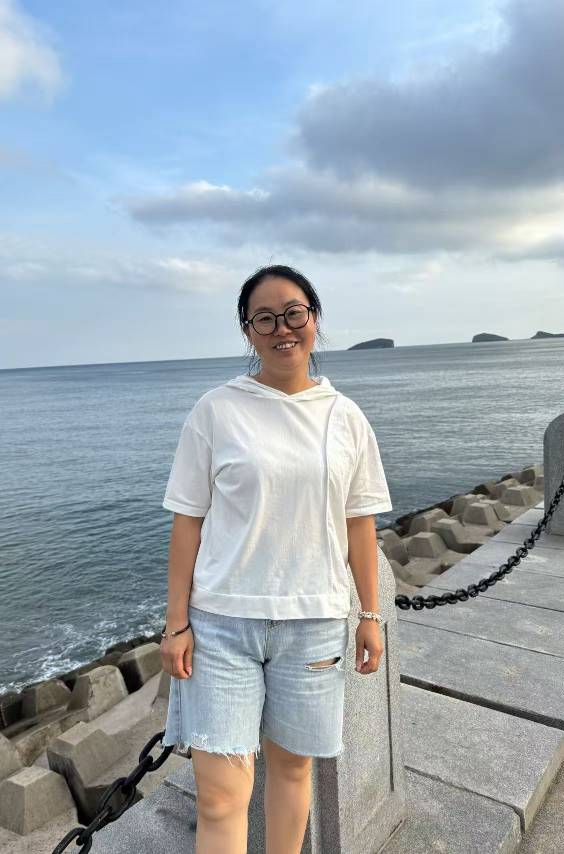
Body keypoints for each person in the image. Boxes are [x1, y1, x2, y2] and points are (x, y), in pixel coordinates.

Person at [159, 264, 392, 854]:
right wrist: (176, 623)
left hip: (313, 624)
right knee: (219, 797)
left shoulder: (346, 417)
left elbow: (359, 524)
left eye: (293, 313)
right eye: (264, 318)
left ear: (314, 318)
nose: (282, 328)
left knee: (292, 771)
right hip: (221, 624)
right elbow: (187, 521)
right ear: (248, 331)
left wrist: (370, 614)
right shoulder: (216, 410)